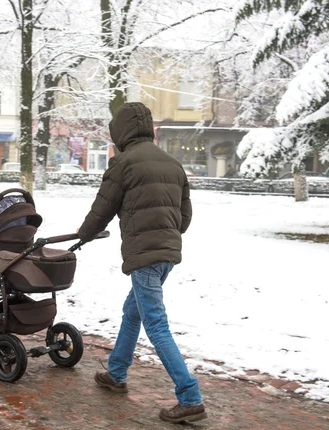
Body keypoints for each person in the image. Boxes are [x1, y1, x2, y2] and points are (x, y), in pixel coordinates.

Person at [77, 102, 206, 424]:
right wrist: (164, 237)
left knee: (156, 325)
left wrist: (83, 236)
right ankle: (116, 373)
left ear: (120, 131)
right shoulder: (172, 164)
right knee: (132, 311)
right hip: (167, 255)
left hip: (145, 257)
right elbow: (185, 216)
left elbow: (102, 209)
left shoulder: (124, 163)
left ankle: (190, 397)